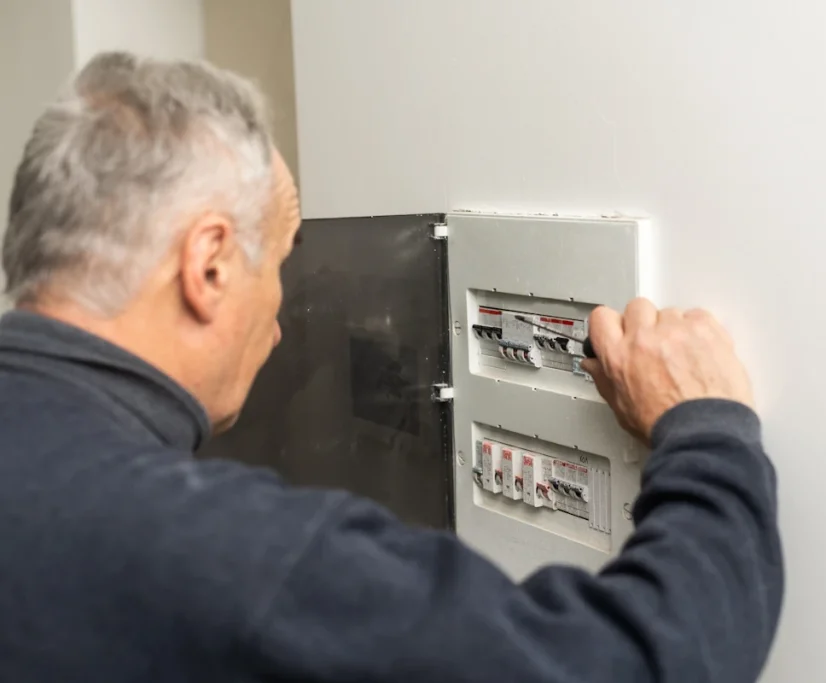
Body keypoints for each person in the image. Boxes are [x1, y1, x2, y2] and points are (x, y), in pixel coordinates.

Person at [0, 52, 783, 682]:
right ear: (207, 266)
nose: (279, 324)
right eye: (278, 264)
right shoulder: (229, 553)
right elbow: (646, 660)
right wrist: (706, 429)